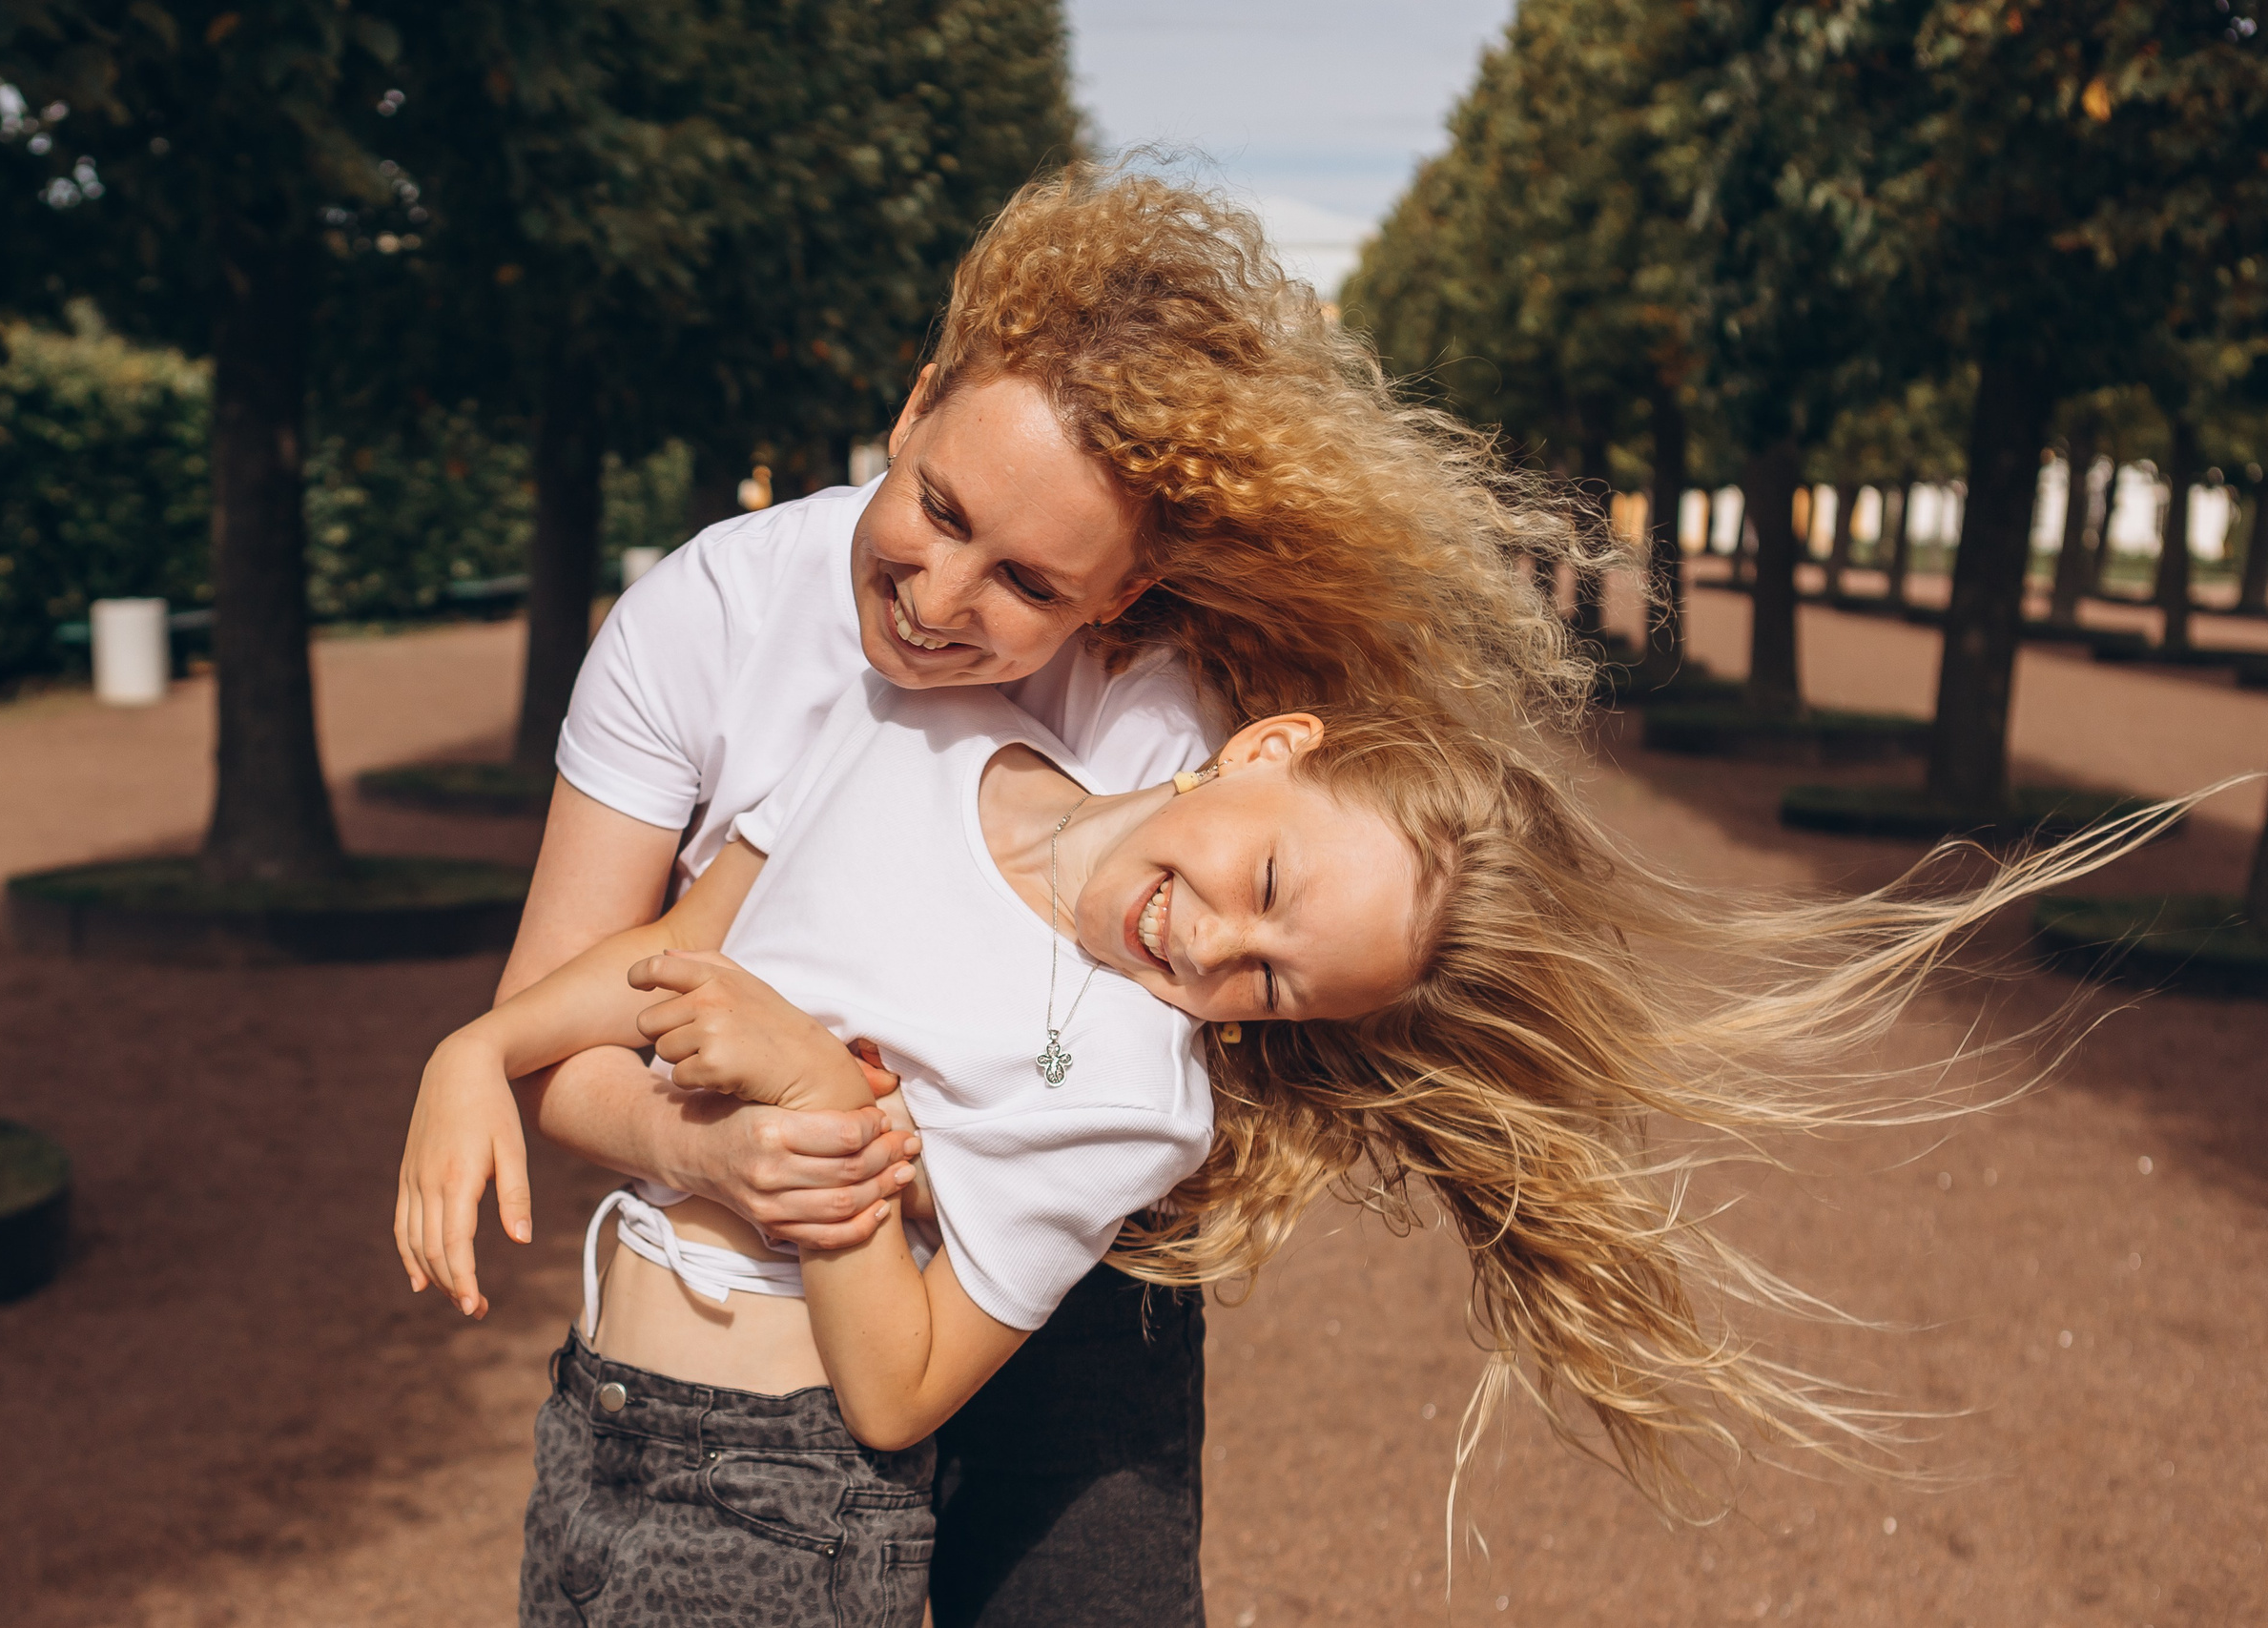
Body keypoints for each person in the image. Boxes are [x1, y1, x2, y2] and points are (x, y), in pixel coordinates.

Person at [400, 162, 1597, 1627]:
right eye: (939, 506)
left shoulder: (1161, 725)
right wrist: (593, 1095)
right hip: (627, 1399)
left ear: (1119, 597)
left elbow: (941, 1273)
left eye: (1030, 583)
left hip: (995, 1330)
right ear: (911, 411)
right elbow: (640, 972)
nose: (941, 600)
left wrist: (813, 1102)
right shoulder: (792, 666)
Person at [410, 682, 1452, 1625]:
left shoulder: (1138, 1098)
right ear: (1265, 748)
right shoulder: (910, 725)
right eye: (1266, 883)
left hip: (780, 1495)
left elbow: (898, 1391)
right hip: (591, 1416)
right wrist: (478, 1049)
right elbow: (679, 948)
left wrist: (818, 1089)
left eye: (1269, 986)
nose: (1216, 946)